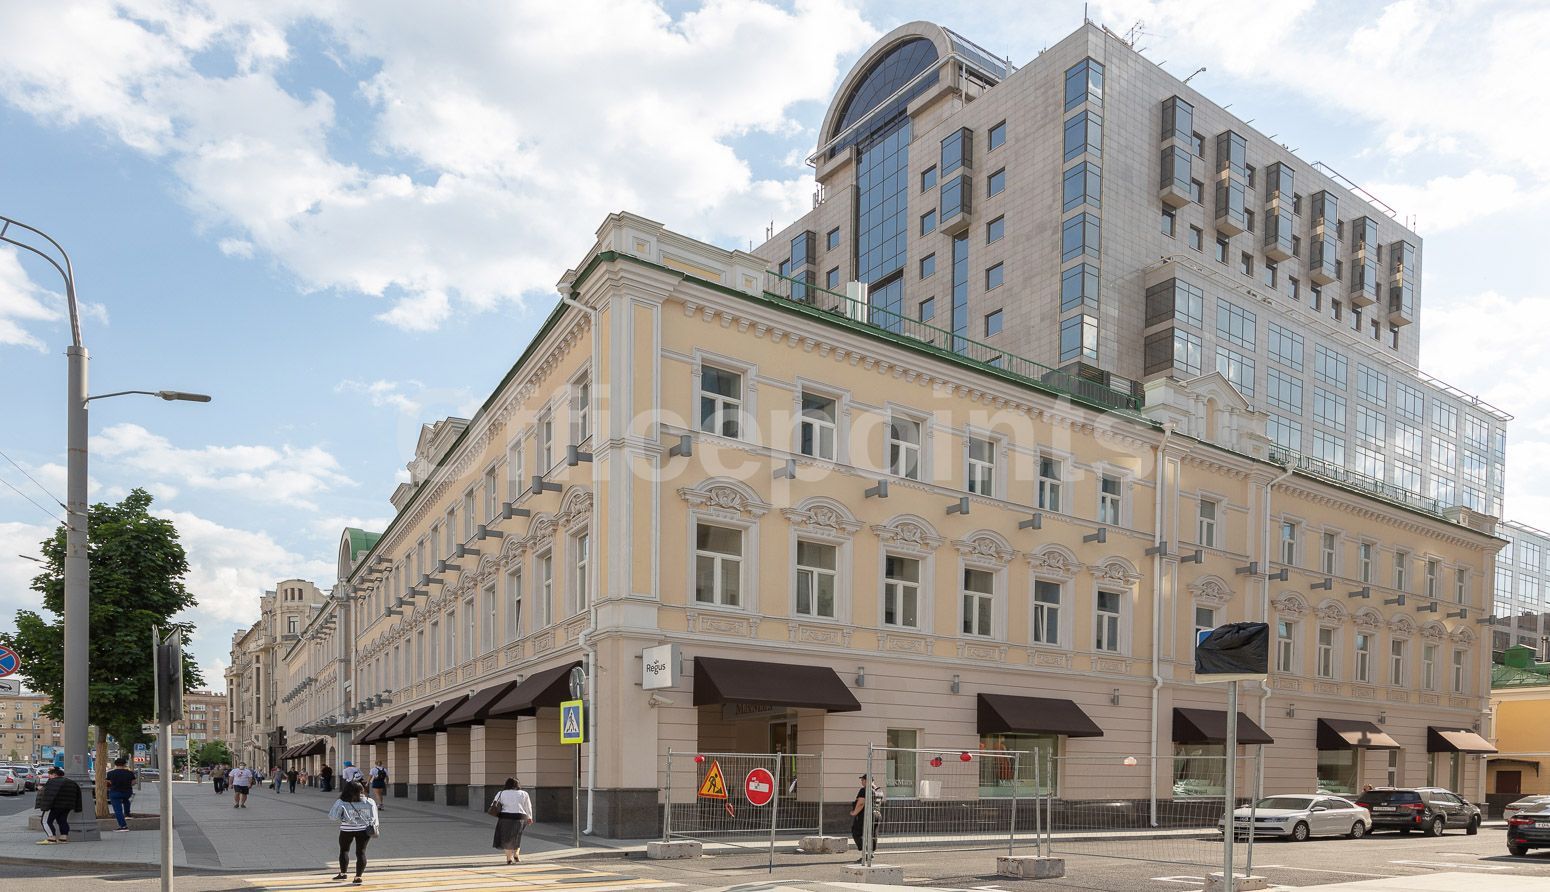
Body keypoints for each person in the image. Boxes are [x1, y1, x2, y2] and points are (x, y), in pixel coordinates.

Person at [328, 780, 379, 885]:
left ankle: (343, 873)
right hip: (364, 830)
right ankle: (358, 877)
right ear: (361, 789)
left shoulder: (341, 801)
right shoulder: (369, 801)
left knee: (344, 851)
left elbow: (333, 817)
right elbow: (374, 818)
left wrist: (344, 815)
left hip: (346, 830)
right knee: (361, 853)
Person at [490, 777, 534, 865]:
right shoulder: (524, 793)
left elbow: (493, 804)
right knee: (517, 836)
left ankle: (509, 858)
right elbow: (528, 806)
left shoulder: (501, 793)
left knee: (506, 838)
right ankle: (516, 854)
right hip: (520, 817)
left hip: (505, 817)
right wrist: (530, 817)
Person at [34, 766, 82, 844]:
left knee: (45, 821)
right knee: (62, 820)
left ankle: (51, 838)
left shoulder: (53, 782)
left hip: (54, 806)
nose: (49, 777)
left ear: (55, 775)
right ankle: (63, 838)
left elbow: (49, 795)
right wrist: (77, 807)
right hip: (68, 806)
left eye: (50, 775)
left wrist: (45, 806)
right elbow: (78, 795)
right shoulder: (71, 782)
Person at [850, 773, 884, 861]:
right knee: (872, 834)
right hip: (877, 814)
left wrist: (854, 812)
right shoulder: (879, 791)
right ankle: (871, 852)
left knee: (857, 832)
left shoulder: (864, 790)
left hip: (866, 815)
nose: (861, 782)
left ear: (867, 781)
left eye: (863, 780)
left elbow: (861, 803)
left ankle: (865, 852)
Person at [105, 757, 137, 832]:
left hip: (115, 792)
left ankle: (123, 826)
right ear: (125, 764)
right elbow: (134, 782)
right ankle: (127, 814)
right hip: (127, 792)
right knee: (126, 800)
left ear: (115, 764)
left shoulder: (110, 773)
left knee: (118, 810)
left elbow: (108, 782)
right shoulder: (130, 773)